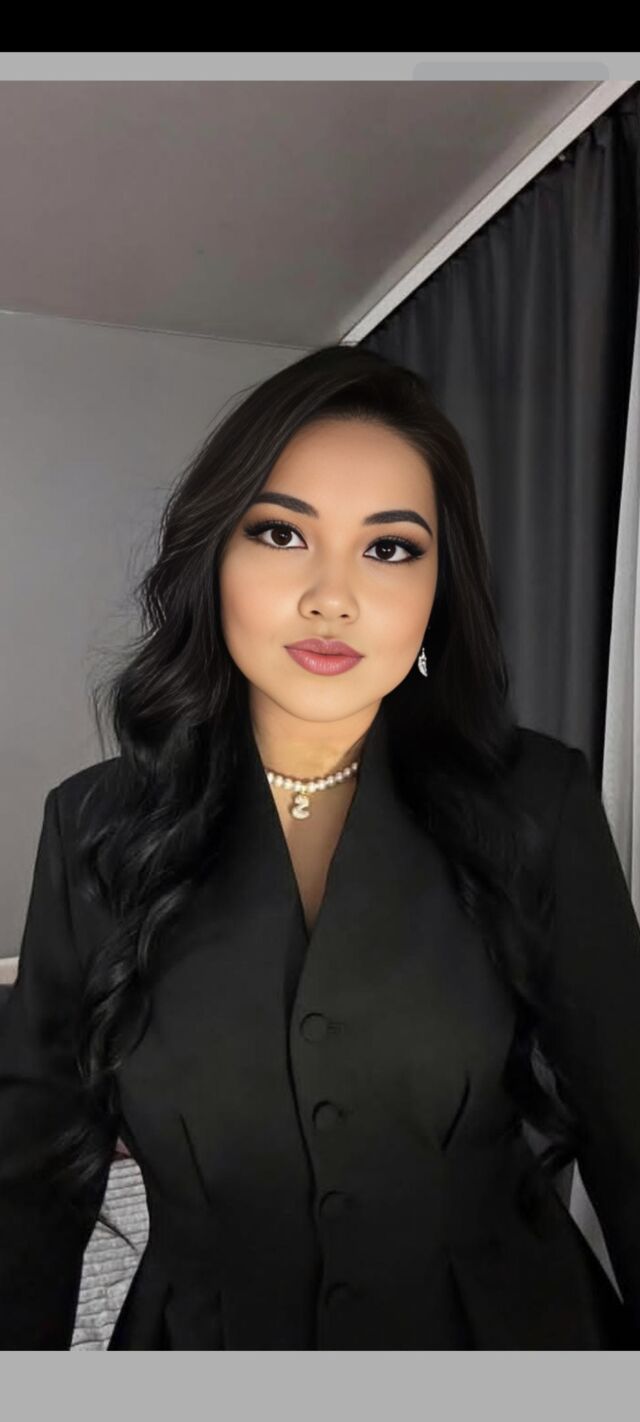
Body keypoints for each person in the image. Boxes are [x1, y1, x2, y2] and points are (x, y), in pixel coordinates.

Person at [1, 344, 639, 1350]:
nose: (332, 596)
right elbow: (29, 1178)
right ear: (213, 557)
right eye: (280, 533)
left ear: (439, 588)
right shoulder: (94, 826)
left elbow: (629, 1124)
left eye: (390, 548)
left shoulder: (534, 803)